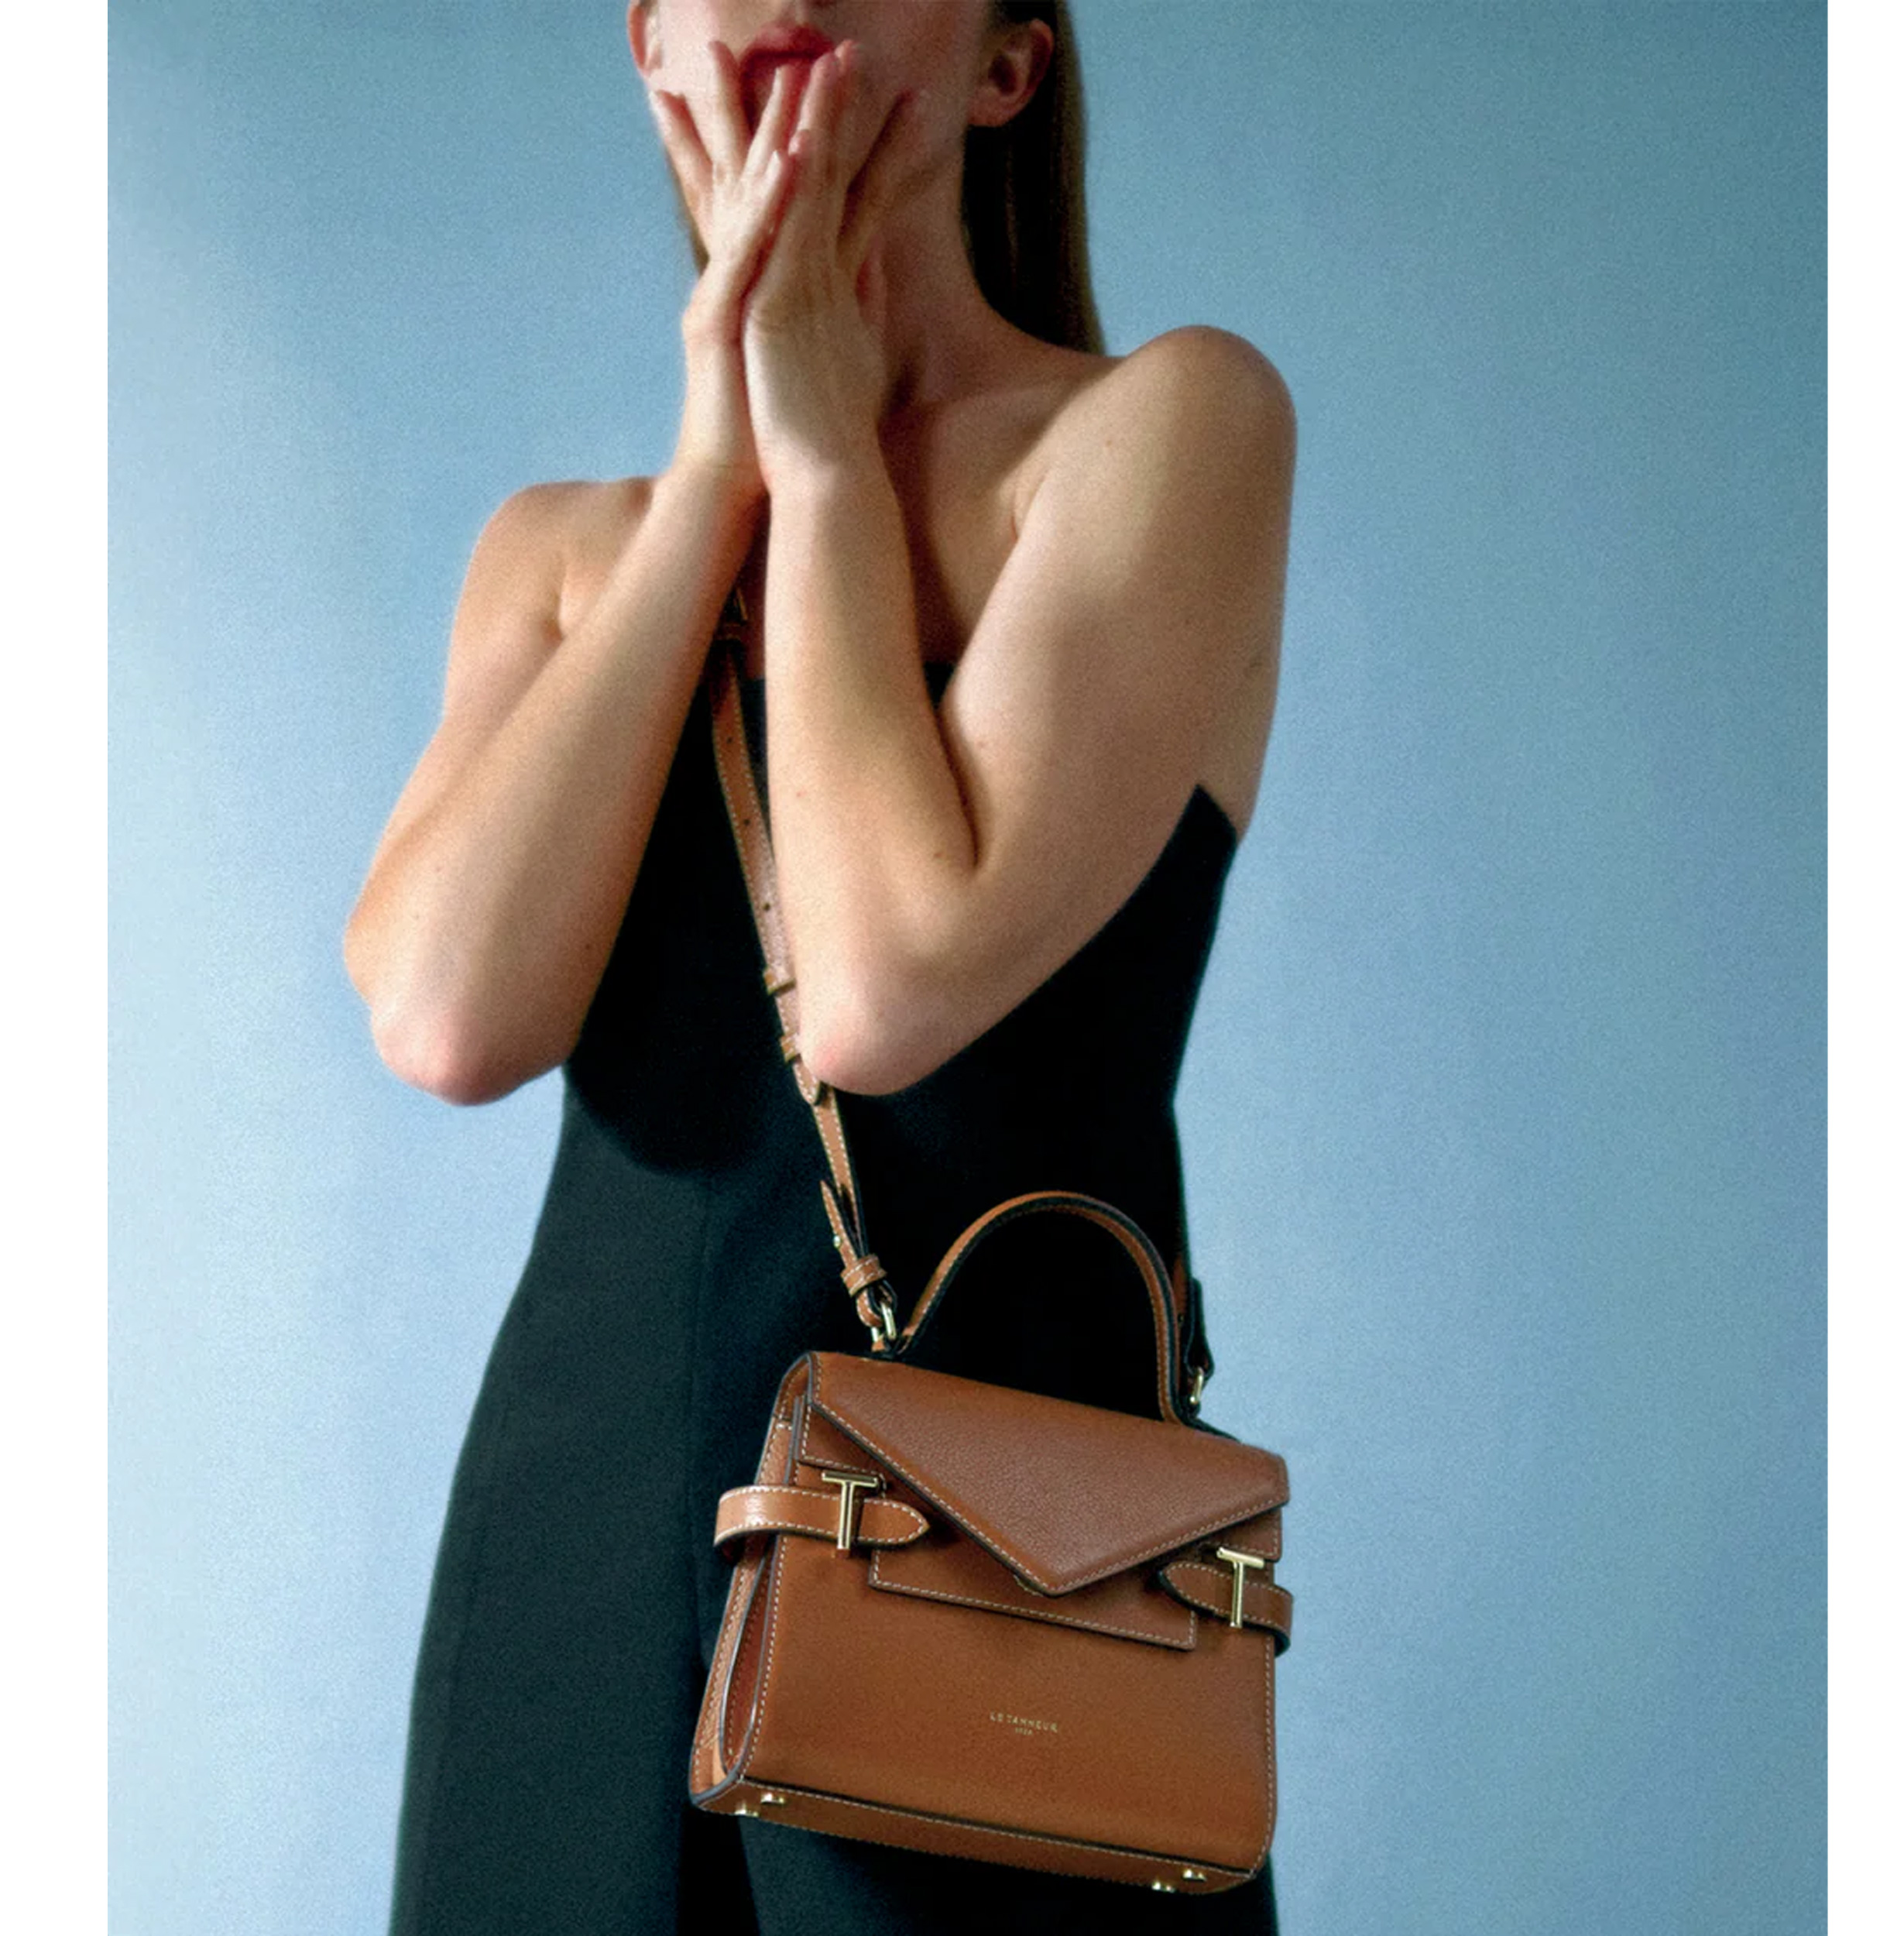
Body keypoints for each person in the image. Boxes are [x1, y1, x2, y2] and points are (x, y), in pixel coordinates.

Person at [345, 2, 1295, 1929]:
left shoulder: (1159, 428)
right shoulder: (563, 549)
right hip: (589, 1531)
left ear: (1006, 65)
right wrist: (718, 473)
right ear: (653, 52)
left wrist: (827, 467)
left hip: (1006, 1548)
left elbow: (882, 988)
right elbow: (448, 1017)